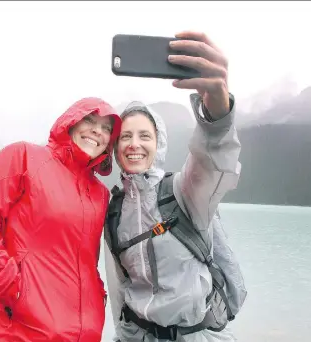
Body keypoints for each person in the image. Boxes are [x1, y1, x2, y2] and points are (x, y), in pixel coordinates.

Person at [104, 31, 247, 342]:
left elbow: (211, 161)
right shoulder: (114, 212)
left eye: (145, 136)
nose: (134, 144)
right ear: (115, 149)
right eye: (125, 137)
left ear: (160, 144)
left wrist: (217, 115)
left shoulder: (184, 193)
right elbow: (119, 288)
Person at [0, 97, 121, 342]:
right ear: (71, 122)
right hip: (19, 331)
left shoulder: (100, 194)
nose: (98, 130)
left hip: (83, 334)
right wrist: (16, 290)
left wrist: (96, 296)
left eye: (107, 128)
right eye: (89, 120)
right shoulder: (23, 157)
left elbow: (86, 259)